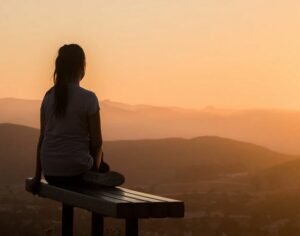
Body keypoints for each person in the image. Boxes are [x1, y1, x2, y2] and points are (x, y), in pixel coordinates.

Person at [28, 44, 123, 194]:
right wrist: (95, 171)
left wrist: (37, 177)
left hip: (51, 173)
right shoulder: (88, 98)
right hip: (77, 173)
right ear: (81, 66)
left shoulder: (48, 96)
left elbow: (42, 139)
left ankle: (98, 173)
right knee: (101, 158)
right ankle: (98, 175)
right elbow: (97, 143)